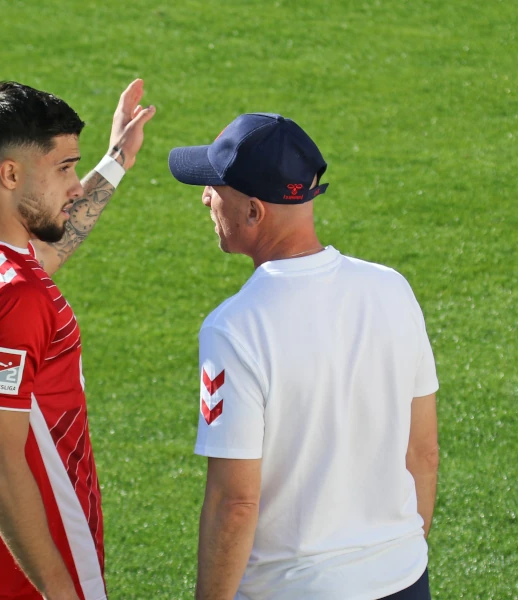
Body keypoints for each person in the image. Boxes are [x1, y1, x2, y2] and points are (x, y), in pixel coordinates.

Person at [168, 113, 440, 600]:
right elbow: (423, 453)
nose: (205, 197)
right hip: (404, 579)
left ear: (254, 212)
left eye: (215, 187)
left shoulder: (234, 329)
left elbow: (235, 502)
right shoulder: (392, 289)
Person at [0, 80, 155, 600]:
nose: (74, 185)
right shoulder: (9, 299)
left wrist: (115, 163)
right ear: (10, 174)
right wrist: (58, 589)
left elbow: (45, 254)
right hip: (30, 551)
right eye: (65, 167)